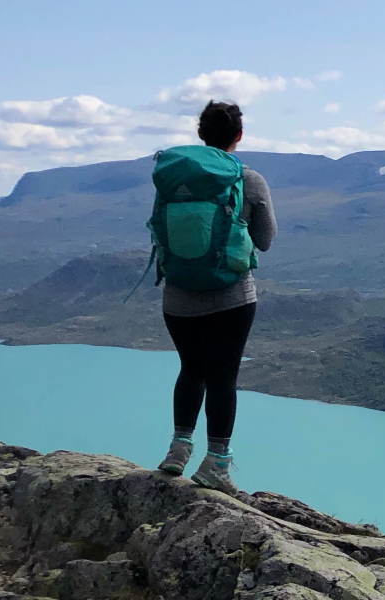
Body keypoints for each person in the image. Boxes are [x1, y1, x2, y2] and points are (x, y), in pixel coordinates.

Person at [155, 101, 275, 494]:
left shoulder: (173, 179)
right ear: (238, 135)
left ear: (200, 134)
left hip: (177, 297)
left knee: (191, 370)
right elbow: (265, 240)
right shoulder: (249, 179)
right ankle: (217, 465)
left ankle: (177, 450)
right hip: (232, 298)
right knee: (223, 378)